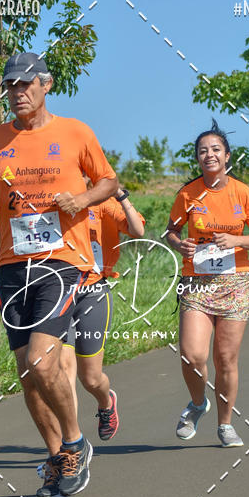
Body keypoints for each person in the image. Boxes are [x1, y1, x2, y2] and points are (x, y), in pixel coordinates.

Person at [0, 52, 118, 497]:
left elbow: (107, 182)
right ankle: (58, 457)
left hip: (61, 261)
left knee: (40, 358)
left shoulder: (75, 132)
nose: (17, 92)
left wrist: (83, 199)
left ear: (45, 84)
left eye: (25, 84)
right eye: (10, 86)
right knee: (27, 373)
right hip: (13, 266)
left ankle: (75, 442)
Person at [166, 120, 249, 447]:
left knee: (225, 359)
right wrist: (177, 243)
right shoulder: (188, 193)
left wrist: (236, 240)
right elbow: (171, 231)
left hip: (236, 283)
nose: (209, 155)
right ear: (197, 159)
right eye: (202, 151)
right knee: (191, 354)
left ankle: (225, 425)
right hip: (196, 282)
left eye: (215, 150)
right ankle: (198, 403)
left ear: (227, 156)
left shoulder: (243, 193)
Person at [60, 182, 145, 440]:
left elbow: (137, 230)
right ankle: (71, 440)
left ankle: (106, 402)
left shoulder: (104, 203)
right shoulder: (57, 198)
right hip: (58, 293)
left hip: (93, 294)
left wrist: (120, 195)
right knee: (64, 369)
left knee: (91, 379)